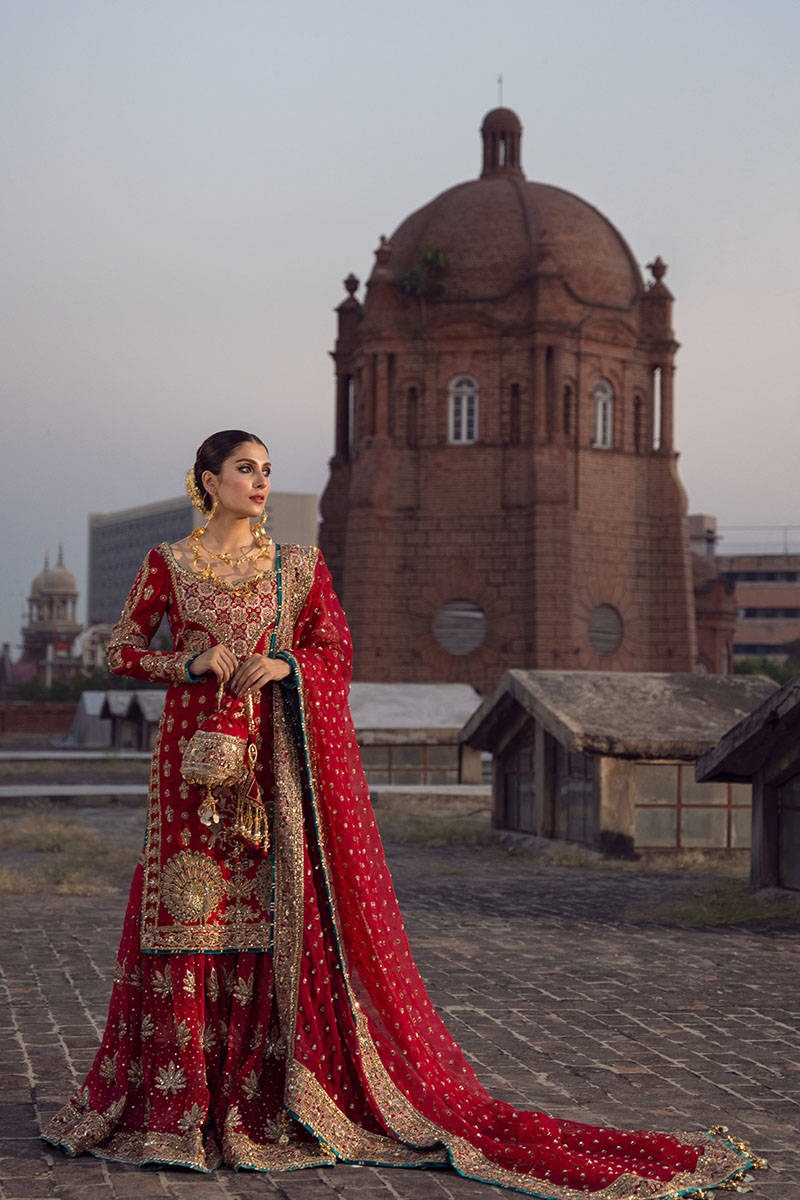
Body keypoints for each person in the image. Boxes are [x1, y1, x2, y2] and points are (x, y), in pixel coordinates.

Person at [44, 430, 761, 1195]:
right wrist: (184, 661)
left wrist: (285, 661)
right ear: (208, 481)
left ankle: (263, 1099)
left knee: (273, 920)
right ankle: (179, 1104)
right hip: (191, 766)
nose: (259, 482)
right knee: (189, 913)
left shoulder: (298, 567)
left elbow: (336, 651)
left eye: (266, 471)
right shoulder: (170, 564)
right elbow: (122, 648)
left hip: (278, 768)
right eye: (245, 470)